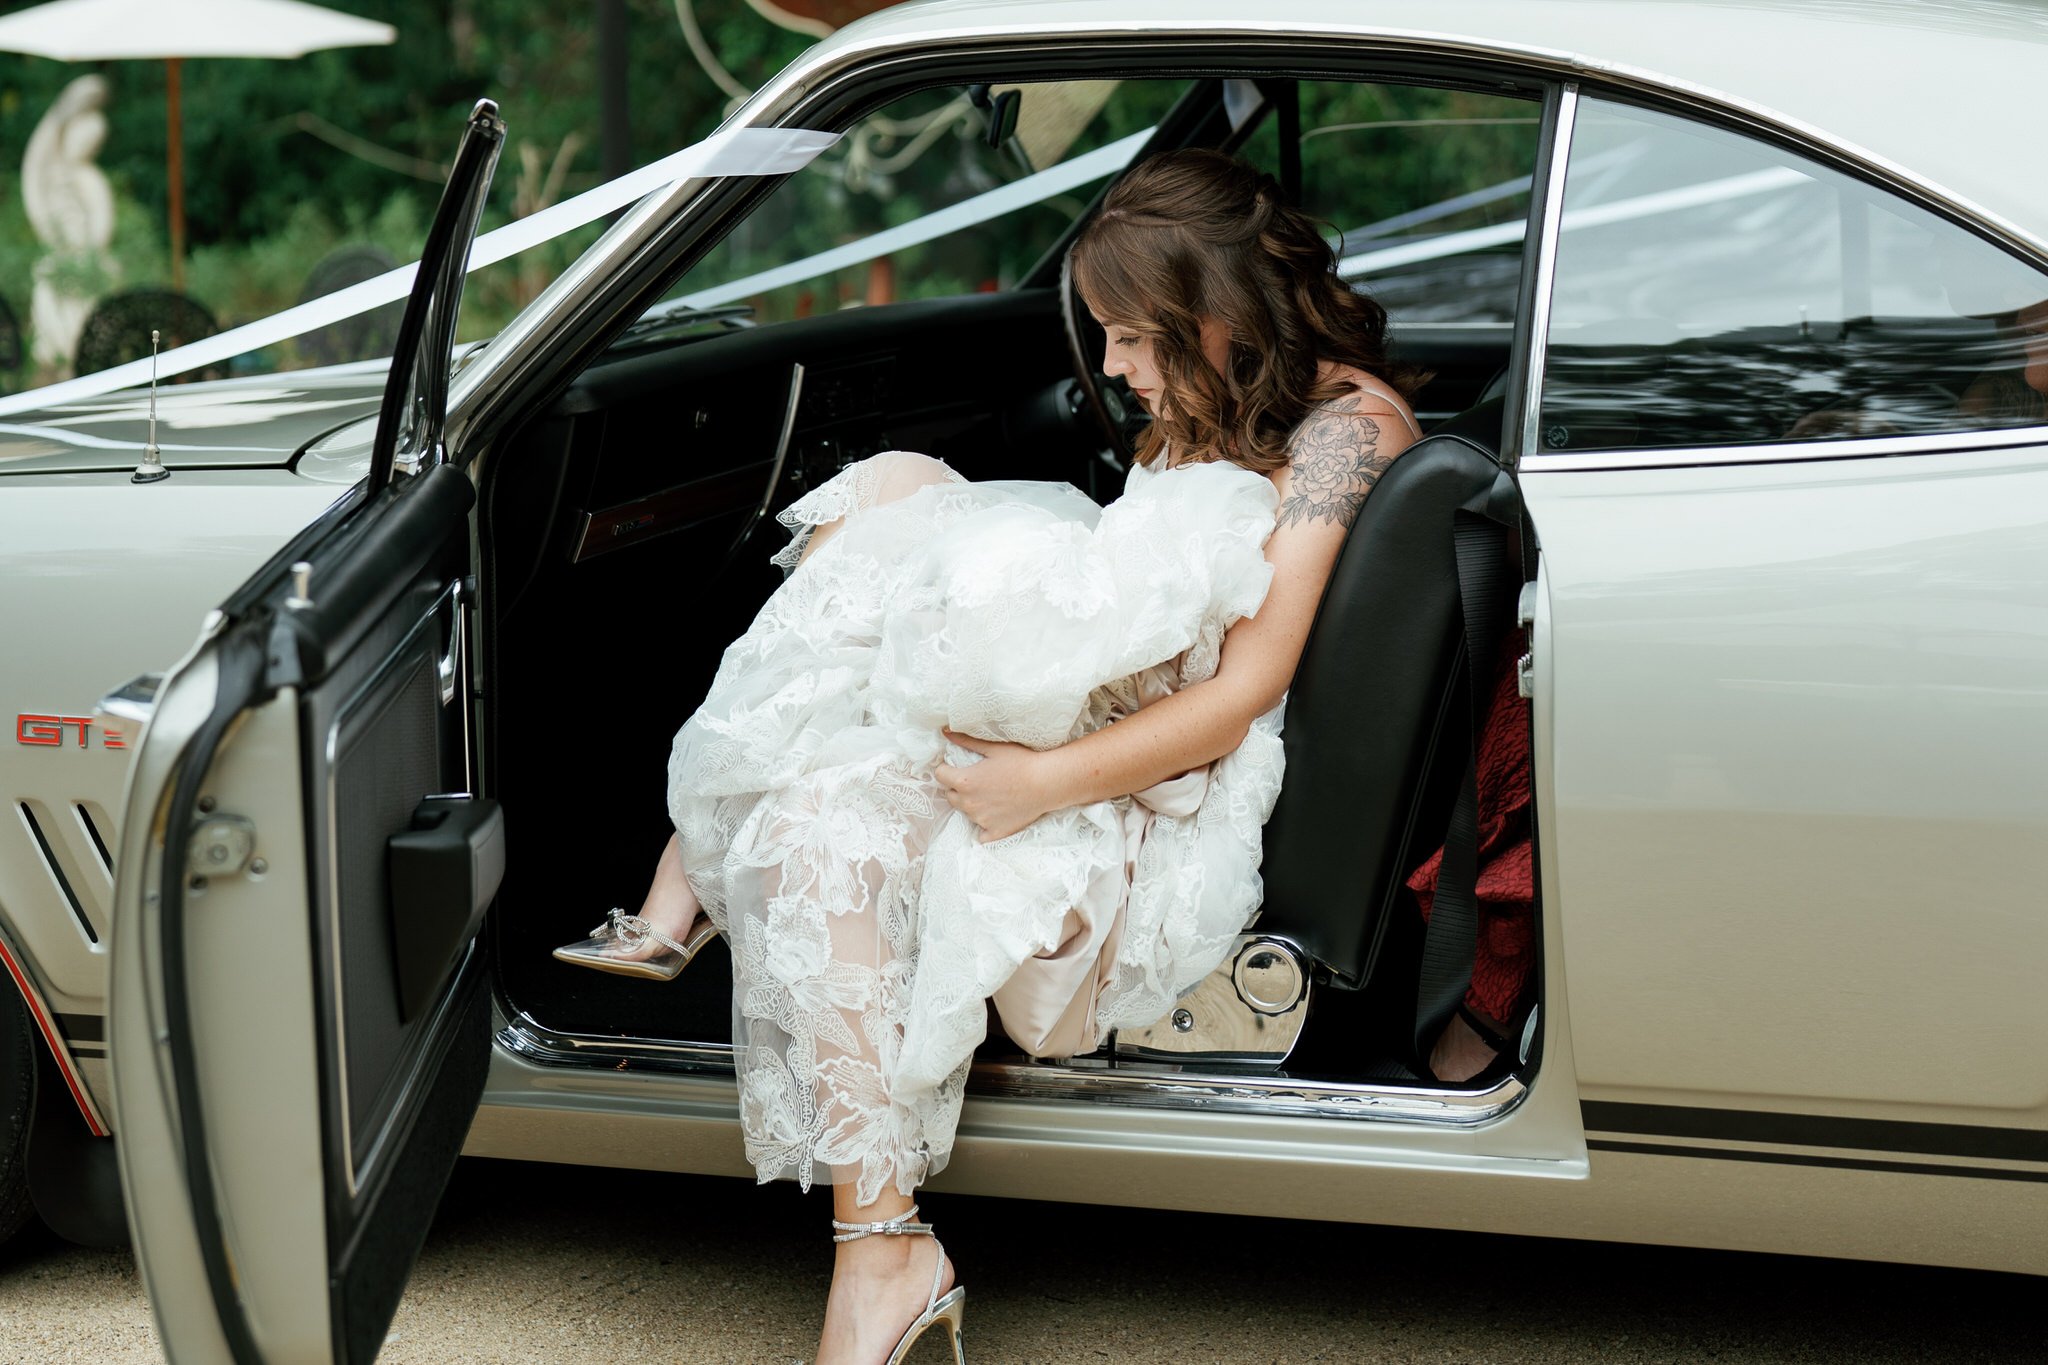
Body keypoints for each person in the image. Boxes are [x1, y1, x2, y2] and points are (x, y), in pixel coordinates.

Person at [553, 147, 1421, 1365]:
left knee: (891, 529)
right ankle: (885, 1247)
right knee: (821, 783)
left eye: (1130, 336)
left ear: (1213, 314)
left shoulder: (1344, 433)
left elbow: (1244, 688)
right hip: (1094, 732)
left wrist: (1031, 781)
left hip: (1150, 797)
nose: (1111, 368)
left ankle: (680, 873)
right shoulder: (1205, 404)